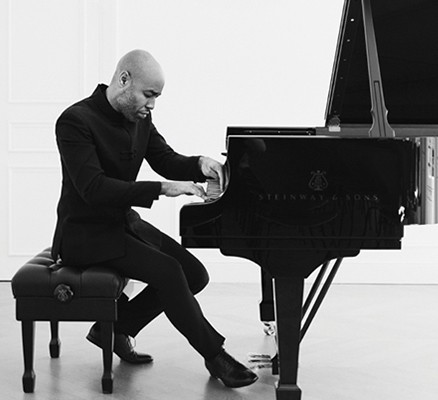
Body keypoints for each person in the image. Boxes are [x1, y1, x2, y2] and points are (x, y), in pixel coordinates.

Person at [51, 49, 258, 388]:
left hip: (121, 224)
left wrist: (199, 164)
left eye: (157, 97)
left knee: (194, 274)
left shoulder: (140, 119)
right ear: (123, 80)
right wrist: (164, 189)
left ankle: (115, 329)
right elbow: (93, 188)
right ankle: (216, 357)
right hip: (84, 234)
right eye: (149, 95)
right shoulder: (75, 121)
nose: (152, 105)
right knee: (170, 272)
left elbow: (164, 158)